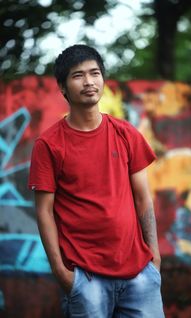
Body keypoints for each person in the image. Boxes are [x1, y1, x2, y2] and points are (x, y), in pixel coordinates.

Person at [29, 44, 165, 318]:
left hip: (139, 273)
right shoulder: (49, 144)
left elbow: (143, 198)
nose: (89, 82)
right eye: (78, 75)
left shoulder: (126, 133)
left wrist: (154, 257)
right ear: (63, 87)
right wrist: (61, 272)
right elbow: (44, 211)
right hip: (85, 278)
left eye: (95, 73)